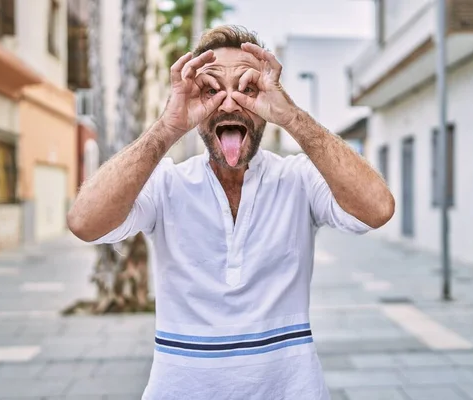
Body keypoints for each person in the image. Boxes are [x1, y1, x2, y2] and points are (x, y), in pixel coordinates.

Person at [67, 26, 394, 400]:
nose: (228, 104)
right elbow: (84, 222)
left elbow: (378, 209)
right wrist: (168, 127)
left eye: (248, 88)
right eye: (211, 89)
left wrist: (292, 117)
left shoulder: (298, 178)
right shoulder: (168, 184)